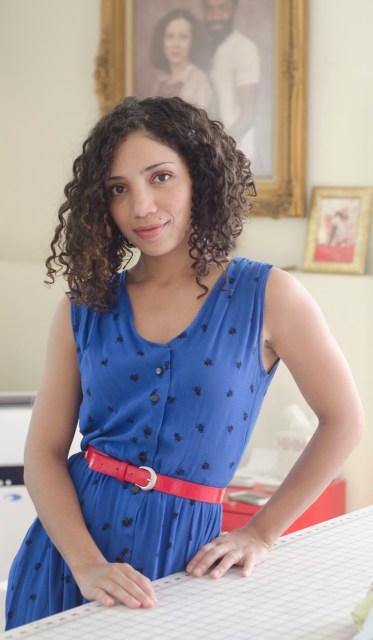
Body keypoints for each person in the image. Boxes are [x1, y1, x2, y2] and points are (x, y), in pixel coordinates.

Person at [5, 96, 363, 630]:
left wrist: (262, 532)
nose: (141, 206)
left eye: (161, 177)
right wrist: (86, 565)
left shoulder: (269, 295)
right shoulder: (84, 306)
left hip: (187, 564)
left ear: (200, 176)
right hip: (70, 563)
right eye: (118, 189)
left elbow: (346, 420)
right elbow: (44, 454)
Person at [203, 0, 260, 163]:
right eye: (210, 9)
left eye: (222, 8)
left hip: (235, 158)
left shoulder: (244, 48)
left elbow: (248, 112)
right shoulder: (211, 49)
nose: (215, 16)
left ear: (235, 10)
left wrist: (220, 150)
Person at [151, 8, 213, 111]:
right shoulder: (161, 81)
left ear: (193, 42)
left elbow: (197, 124)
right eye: (170, 36)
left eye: (183, 37)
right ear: (162, 40)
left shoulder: (198, 80)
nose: (176, 44)